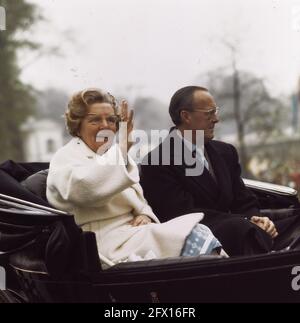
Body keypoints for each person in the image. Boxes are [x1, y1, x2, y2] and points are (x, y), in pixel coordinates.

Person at [46, 88, 224, 265]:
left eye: (110, 120)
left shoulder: (112, 156)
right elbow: (86, 189)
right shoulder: (66, 157)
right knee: (195, 236)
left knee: (199, 231)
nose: (105, 126)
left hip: (133, 234)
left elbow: (139, 199)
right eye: (94, 120)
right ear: (77, 125)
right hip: (101, 244)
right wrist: (122, 147)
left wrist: (145, 215)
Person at [140, 86, 300, 256]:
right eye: (209, 113)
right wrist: (247, 221)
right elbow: (182, 214)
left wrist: (257, 218)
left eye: (215, 111)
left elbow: (244, 200)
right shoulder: (157, 161)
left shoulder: (225, 152)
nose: (216, 119)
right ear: (186, 116)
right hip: (201, 235)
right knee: (241, 229)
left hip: (241, 227)